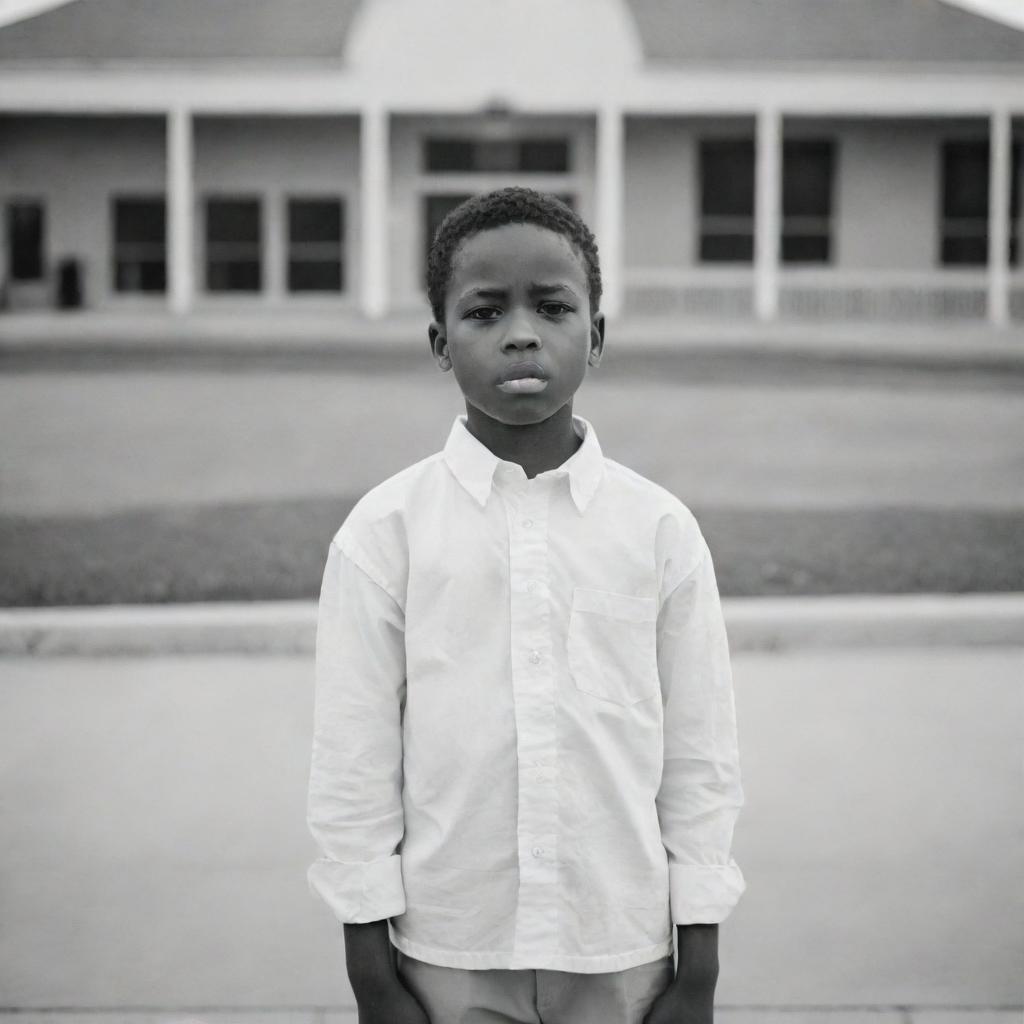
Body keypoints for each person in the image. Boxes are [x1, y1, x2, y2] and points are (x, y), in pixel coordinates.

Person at [307, 186, 745, 1024]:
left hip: (621, 947)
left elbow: (701, 761)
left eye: (552, 307)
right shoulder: (384, 535)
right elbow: (352, 767)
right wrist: (371, 973)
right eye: (483, 312)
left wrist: (701, 974)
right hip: (450, 948)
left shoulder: (659, 531)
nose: (520, 333)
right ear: (440, 342)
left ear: (598, 334)